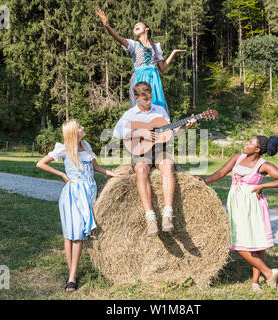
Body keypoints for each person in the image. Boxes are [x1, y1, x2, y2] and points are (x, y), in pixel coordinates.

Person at [36, 119, 124, 292]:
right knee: (73, 236)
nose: (83, 128)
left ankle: (72, 273)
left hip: (88, 192)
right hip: (73, 194)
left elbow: (97, 168)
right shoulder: (64, 148)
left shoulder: (86, 145)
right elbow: (40, 163)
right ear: (73, 132)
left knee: (75, 235)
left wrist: (113, 174)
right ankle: (72, 278)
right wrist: (61, 173)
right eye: (80, 127)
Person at [195, 136, 278, 293]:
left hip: (253, 204)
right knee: (238, 239)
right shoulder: (237, 158)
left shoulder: (263, 165)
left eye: (249, 143)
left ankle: (256, 282)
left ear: (257, 150)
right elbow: (221, 173)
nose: (245, 144)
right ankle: (268, 273)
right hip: (236, 203)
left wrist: (263, 185)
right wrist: (205, 181)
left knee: (256, 242)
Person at [113, 81, 196, 237]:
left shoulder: (160, 111)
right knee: (141, 169)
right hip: (140, 151)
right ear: (136, 97)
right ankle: (150, 217)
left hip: (159, 150)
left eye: (150, 97)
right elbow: (118, 133)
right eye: (145, 99)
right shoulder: (130, 114)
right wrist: (140, 133)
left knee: (168, 165)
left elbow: (170, 134)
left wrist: (184, 126)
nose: (149, 101)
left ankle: (167, 215)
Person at [96, 8, 185, 114]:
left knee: (156, 108)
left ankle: (159, 128)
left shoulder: (156, 47)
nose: (135, 26)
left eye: (138, 25)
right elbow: (118, 38)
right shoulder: (133, 45)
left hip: (153, 81)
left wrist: (173, 52)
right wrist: (107, 26)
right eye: (134, 27)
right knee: (140, 109)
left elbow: (163, 68)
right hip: (139, 79)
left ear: (147, 29)